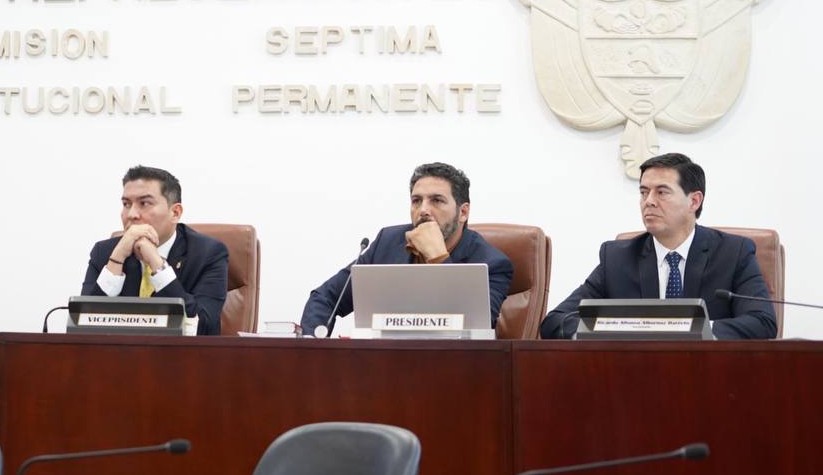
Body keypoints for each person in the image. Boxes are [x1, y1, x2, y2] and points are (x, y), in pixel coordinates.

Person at [542, 152, 776, 340]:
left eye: (662, 192)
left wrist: (698, 330)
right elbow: (556, 321)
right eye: (644, 192)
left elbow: (762, 322)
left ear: (694, 201)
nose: (649, 201)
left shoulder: (733, 253)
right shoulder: (617, 258)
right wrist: (615, 329)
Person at [301, 162, 514, 336]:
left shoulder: (492, 264)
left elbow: (475, 329)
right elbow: (325, 297)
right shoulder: (387, 242)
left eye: (437, 201)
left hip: (453, 373)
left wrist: (438, 257)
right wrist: (313, 346)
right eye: (416, 200)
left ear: (463, 212)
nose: (423, 210)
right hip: (385, 369)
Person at [81, 165, 229, 335]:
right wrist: (117, 258)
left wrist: (155, 262)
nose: (132, 214)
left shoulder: (208, 253)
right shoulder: (105, 252)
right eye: (126, 204)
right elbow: (82, 326)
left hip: (181, 358)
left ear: (175, 212)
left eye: (144, 203)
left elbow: (202, 328)